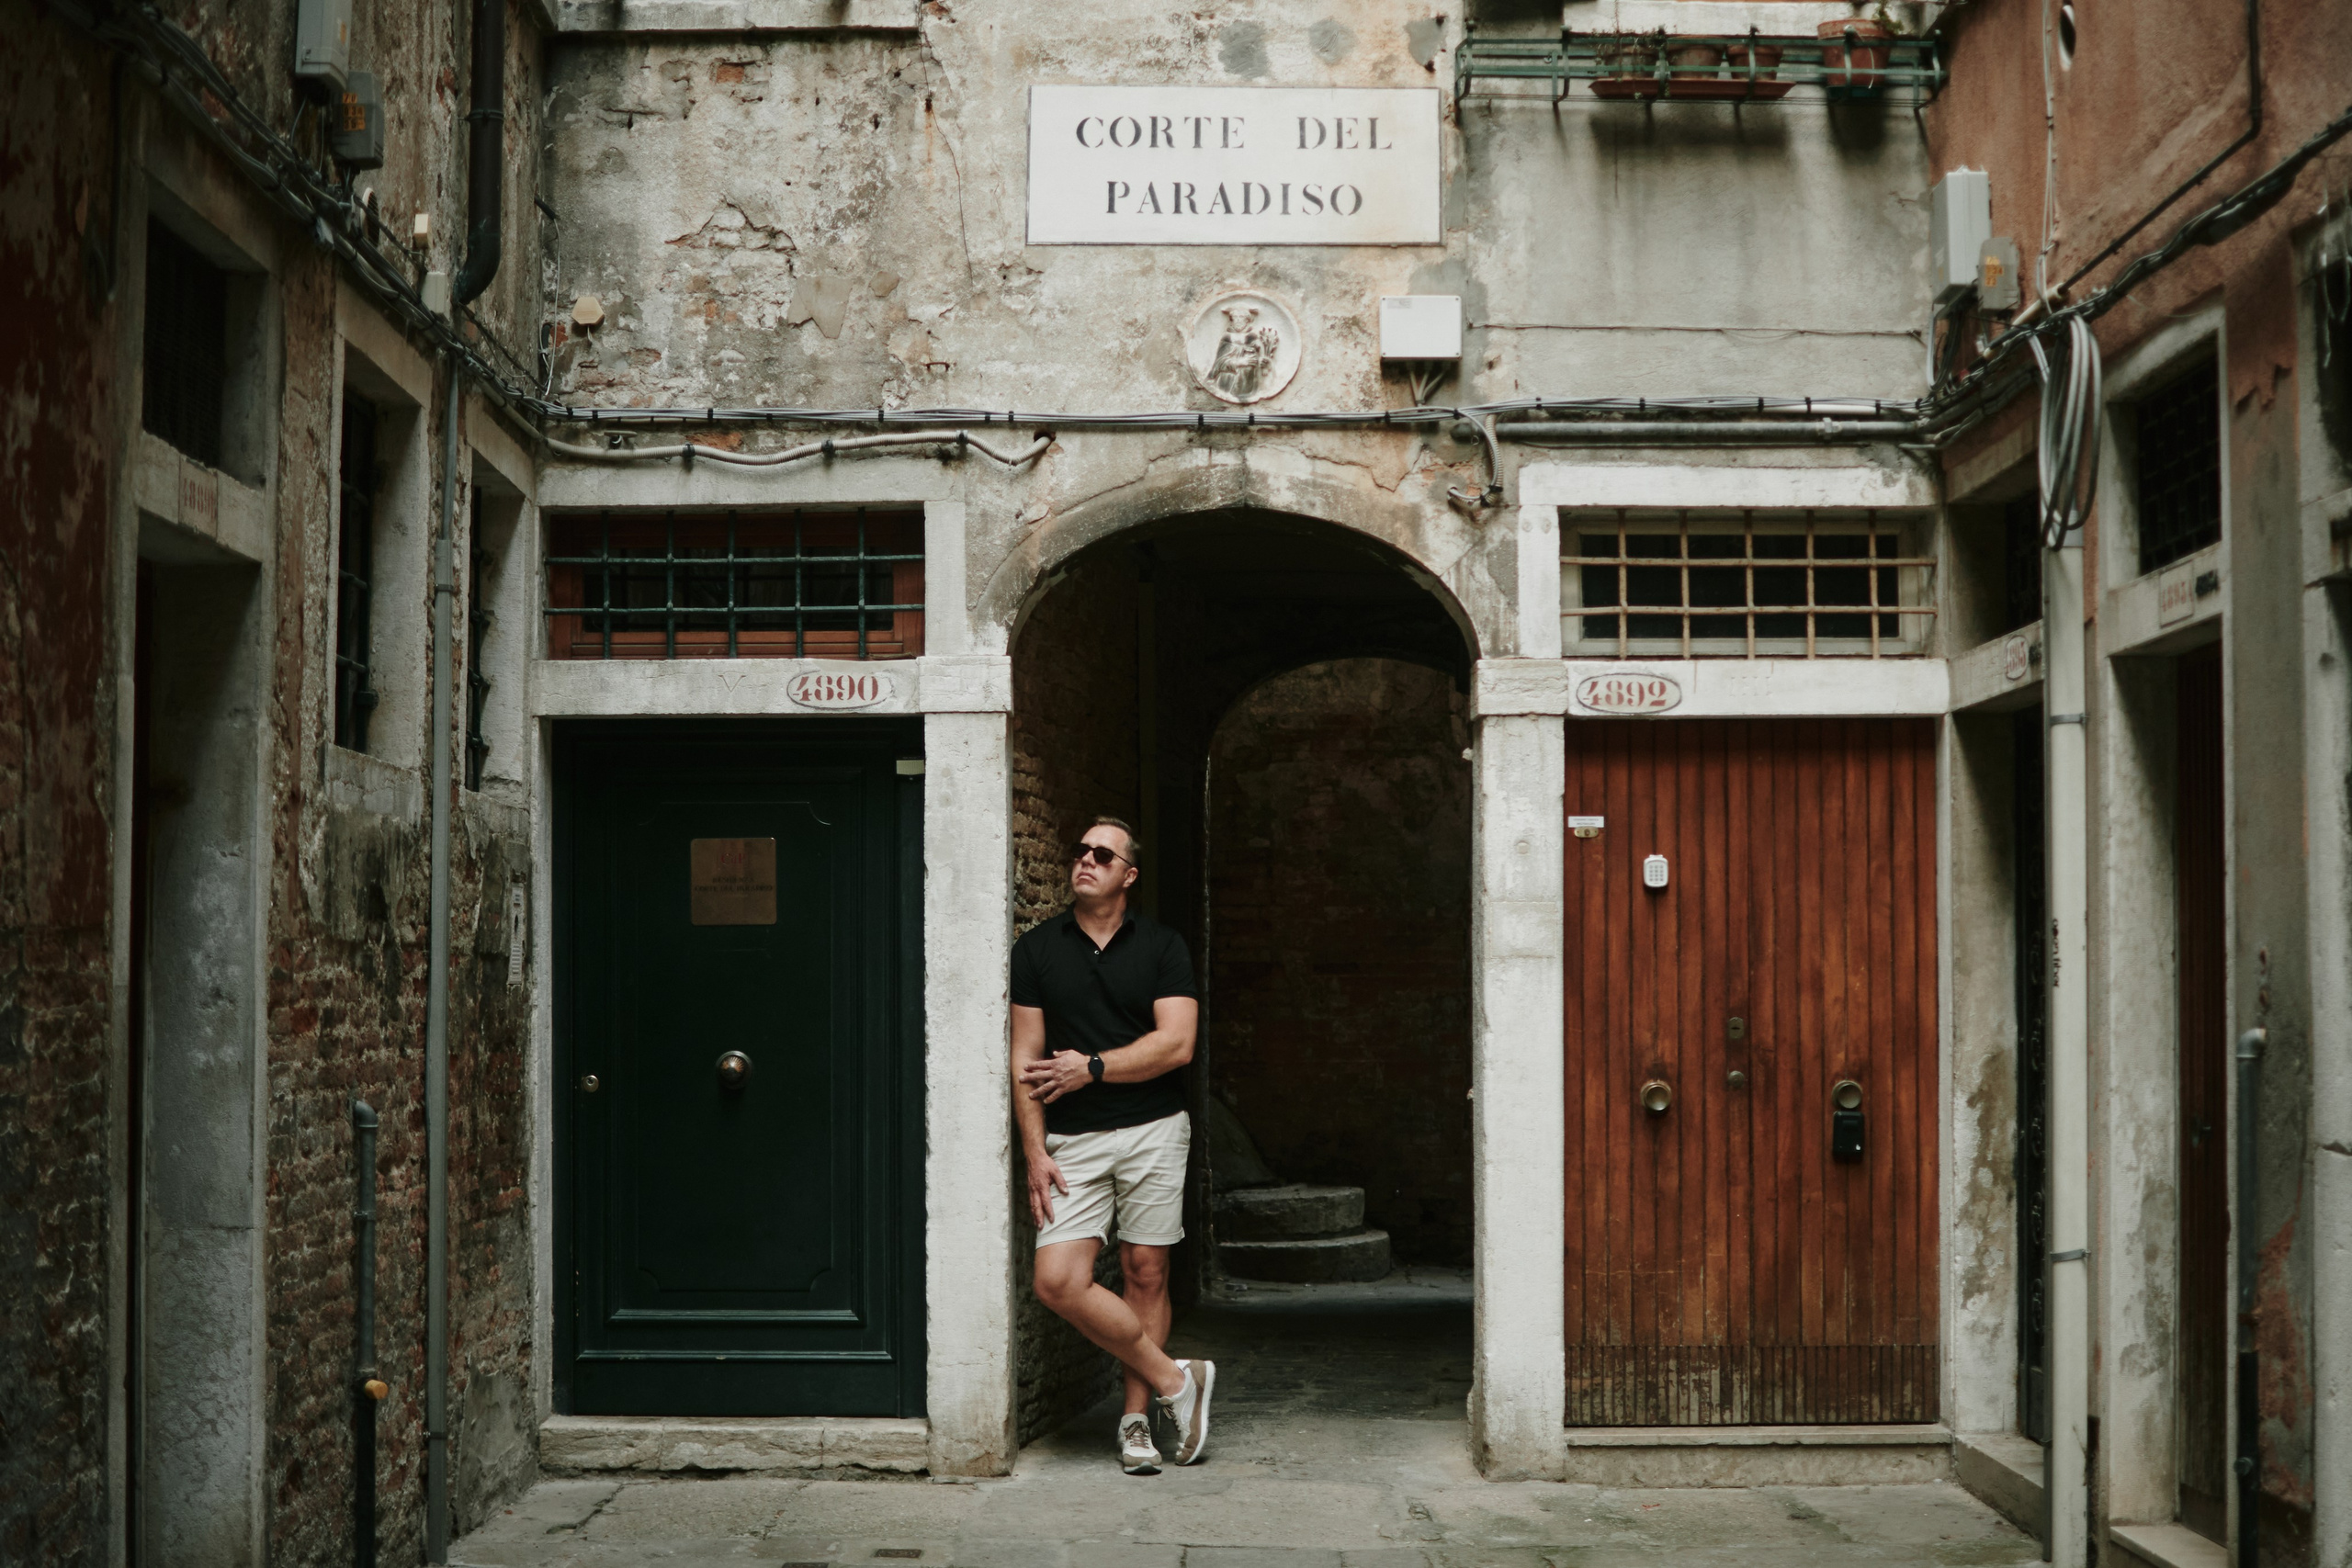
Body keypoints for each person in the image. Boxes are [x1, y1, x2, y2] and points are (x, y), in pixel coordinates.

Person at [1011, 816, 1216, 1475]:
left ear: (1128, 874)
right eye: (1080, 851)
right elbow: (1024, 1060)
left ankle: (1135, 1421)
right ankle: (1177, 1379)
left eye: (1103, 854)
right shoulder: (1037, 949)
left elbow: (1176, 1044)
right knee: (1058, 1279)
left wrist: (1092, 1066)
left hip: (1155, 1127)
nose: (1085, 860)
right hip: (1072, 1137)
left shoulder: (1162, 946)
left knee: (1144, 1272)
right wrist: (1035, 1152)